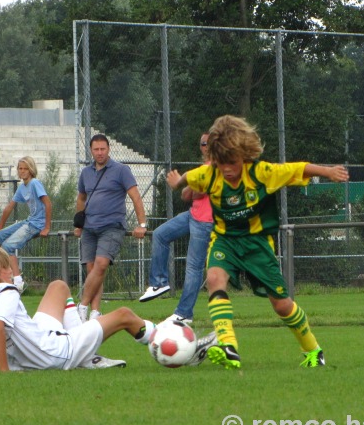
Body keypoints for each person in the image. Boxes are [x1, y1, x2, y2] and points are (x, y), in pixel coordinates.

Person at [165, 115, 349, 370]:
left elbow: (297, 168)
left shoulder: (261, 173)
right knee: (215, 279)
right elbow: (188, 177)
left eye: (232, 162)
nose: (227, 169)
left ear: (244, 155)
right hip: (225, 240)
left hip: (257, 244)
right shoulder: (210, 174)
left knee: (281, 305)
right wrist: (177, 183)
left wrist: (328, 172)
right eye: (221, 163)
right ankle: (229, 346)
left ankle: (313, 350)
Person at [0, 244, 157, 373]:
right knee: (124, 315)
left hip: (39, 341)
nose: (11, 272)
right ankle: (163, 337)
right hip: (56, 353)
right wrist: (4, 373)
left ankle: (87, 355)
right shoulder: (6, 291)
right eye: (6, 268)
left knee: (58, 286)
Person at [139, 132, 214, 325]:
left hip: (206, 221)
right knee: (160, 234)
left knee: (193, 266)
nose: (204, 147)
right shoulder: (203, 168)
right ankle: (159, 282)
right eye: (202, 144)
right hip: (193, 214)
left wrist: (187, 185)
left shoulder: (218, 166)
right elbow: (186, 195)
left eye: (207, 143)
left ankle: (184, 313)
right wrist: (188, 186)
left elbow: (196, 191)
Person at [74, 134, 147, 322]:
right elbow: (81, 198)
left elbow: (136, 196)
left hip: (112, 226)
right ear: (91, 150)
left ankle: (82, 306)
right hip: (89, 227)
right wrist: (78, 224)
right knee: (92, 271)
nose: (99, 153)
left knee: (101, 265)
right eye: (96, 149)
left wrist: (142, 224)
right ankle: (95, 312)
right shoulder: (86, 173)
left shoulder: (121, 170)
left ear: (109, 149)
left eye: (103, 149)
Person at [0, 156, 52, 263]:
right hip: (29, 221)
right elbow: (9, 207)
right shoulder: (22, 187)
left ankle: (15, 277)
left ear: (31, 169)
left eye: (25, 168)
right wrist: (0, 227)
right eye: (20, 168)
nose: (22, 171)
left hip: (37, 224)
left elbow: (48, 204)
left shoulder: (35, 183)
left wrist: (47, 227)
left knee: (7, 246)